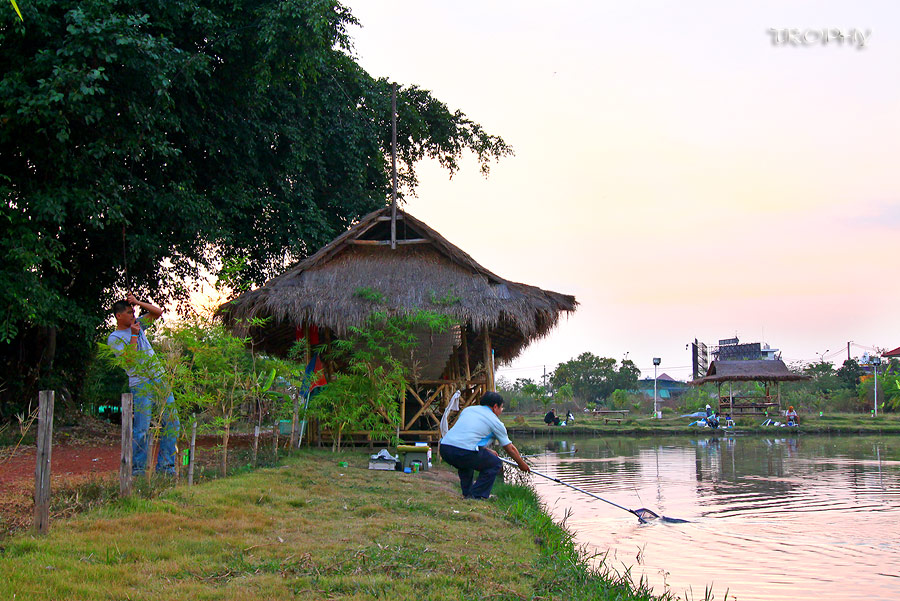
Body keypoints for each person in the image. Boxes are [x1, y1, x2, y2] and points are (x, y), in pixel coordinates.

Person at [107, 294, 179, 476]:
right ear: (118, 316)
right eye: (129, 312)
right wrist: (133, 335)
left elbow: (157, 312)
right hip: (141, 383)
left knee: (171, 422)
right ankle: (138, 471)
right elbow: (130, 361)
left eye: (134, 312)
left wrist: (137, 302)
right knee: (142, 428)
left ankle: (166, 468)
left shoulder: (138, 323)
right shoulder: (115, 338)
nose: (133, 315)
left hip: (159, 378)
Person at [440, 392, 530, 499]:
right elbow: (510, 448)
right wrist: (521, 464)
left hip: (445, 448)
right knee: (495, 463)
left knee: (466, 464)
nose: (501, 411)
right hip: (463, 451)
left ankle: (468, 494)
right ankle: (476, 495)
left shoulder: (468, 410)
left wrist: (486, 450)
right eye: (501, 408)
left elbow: (469, 435)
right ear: (495, 407)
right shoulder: (495, 422)